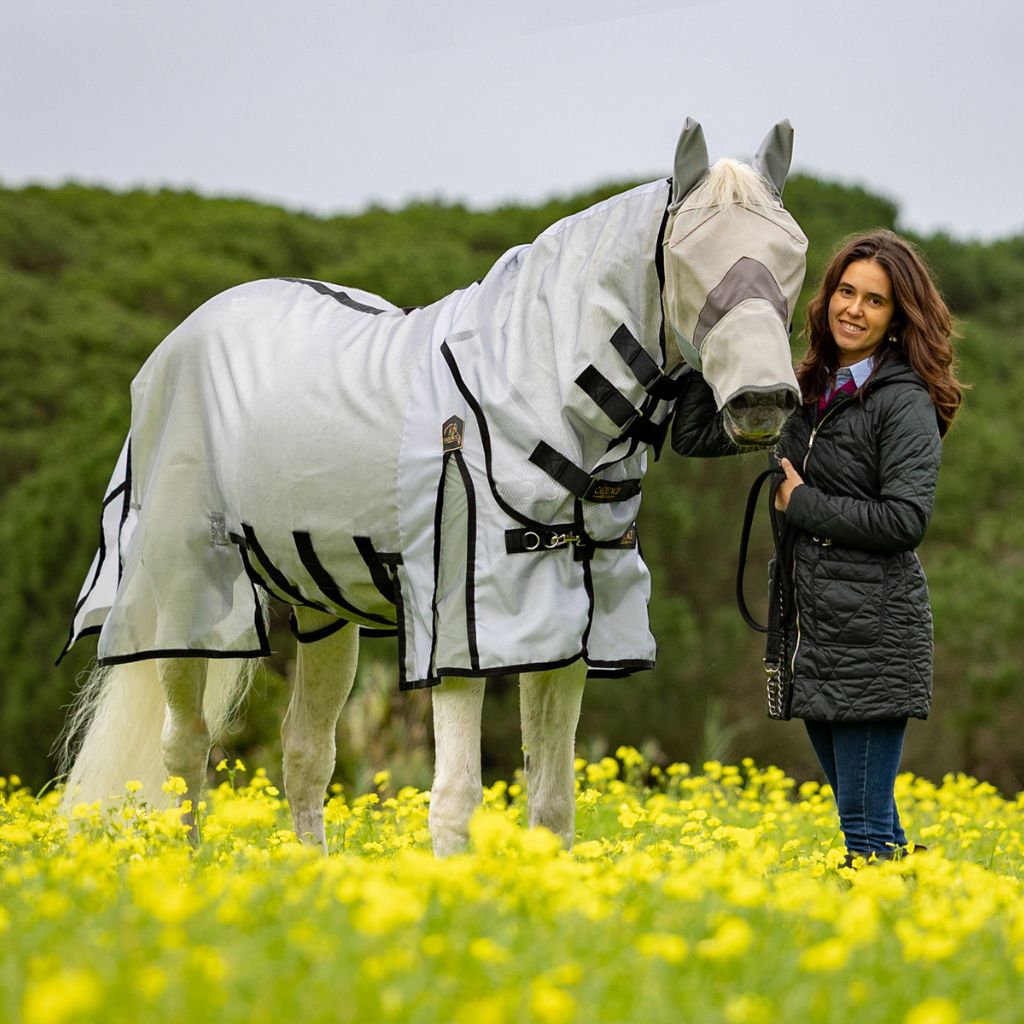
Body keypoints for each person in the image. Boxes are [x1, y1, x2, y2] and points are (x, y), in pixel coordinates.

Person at [672, 229, 963, 863]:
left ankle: (890, 938)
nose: (853, 309)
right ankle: (916, 918)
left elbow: (905, 520)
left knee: (861, 832)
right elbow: (694, 435)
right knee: (869, 822)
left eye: (875, 301)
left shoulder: (902, 400)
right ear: (826, 297)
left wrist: (801, 504)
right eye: (845, 291)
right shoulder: (801, 386)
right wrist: (717, 339)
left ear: (896, 318)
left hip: (874, 636)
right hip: (813, 629)